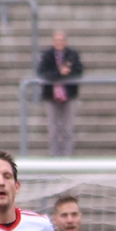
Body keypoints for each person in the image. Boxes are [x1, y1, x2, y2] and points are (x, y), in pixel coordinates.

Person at [38, 29, 83, 157]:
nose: (59, 42)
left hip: (68, 96)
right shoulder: (47, 56)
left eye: (61, 40)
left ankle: (67, 155)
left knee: (67, 128)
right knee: (53, 129)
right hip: (52, 96)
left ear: (65, 41)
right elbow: (43, 73)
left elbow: (78, 71)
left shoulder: (72, 55)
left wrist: (67, 72)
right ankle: (54, 155)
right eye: (56, 40)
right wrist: (59, 72)